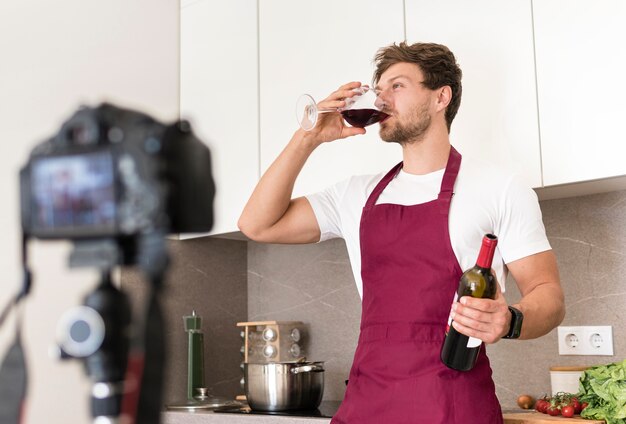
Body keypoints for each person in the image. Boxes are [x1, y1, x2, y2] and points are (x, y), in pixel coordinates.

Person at [238, 42, 565, 424]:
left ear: (441, 96)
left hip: (453, 405)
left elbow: (550, 297)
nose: (381, 98)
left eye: (397, 86)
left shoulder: (501, 189)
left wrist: (510, 320)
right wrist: (309, 135)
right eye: (379, 89)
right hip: (368, 402)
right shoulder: (355, 193)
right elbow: (258, 223)